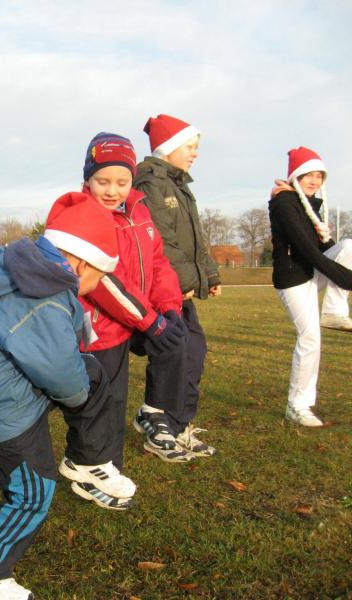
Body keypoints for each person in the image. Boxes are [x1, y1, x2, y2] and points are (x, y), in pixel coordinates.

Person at [0, 193, 122, 599]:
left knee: (92, 374)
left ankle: (88, 461)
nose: (94, 288)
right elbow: (60, 372)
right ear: (81, 264)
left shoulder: (31, 279)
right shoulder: (41, 297)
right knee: (31, 493)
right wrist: (78, 396)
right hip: (7, 413)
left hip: (11, 394)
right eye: (99, 278)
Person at [76, 133, 196, 473]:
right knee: (106, 399)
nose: (112, 190)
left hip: (140, 313)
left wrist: (169, 308)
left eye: (122, 182)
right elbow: (103, 281)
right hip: (102, 323)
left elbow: (158, 264)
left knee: (178, 339)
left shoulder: (139, 210)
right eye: (103, 181)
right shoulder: (85, 215)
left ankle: (155, 413)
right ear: (88, 179)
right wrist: (151, 321)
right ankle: (97, 466)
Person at [133, 114, 218, 456]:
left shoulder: (179, 185)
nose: (195, 153)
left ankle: (179, 424)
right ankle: (159, 421)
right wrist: (183, 282)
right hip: (161, 289)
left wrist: (210, 275)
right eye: (190, 146)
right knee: (176, 352)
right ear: (168, 147)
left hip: (180, 287)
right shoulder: (151, 183)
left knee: (193, 351)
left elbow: (195, 239)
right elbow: (161, 241)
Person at [268, 146, 352, 427]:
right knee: (310, 339)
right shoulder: (284, 203)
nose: (314, 181)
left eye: (319, 176)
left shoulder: (309, 206)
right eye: (308, 175)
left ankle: (334, 311)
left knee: (350, 247)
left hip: (311, 273)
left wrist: (350, 268)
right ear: (296, 176)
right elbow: (307, 251)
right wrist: (348, 278)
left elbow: (324, 248)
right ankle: (297, 406)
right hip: (292, 280)